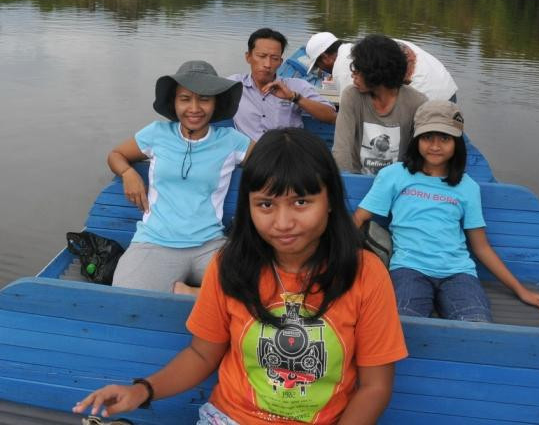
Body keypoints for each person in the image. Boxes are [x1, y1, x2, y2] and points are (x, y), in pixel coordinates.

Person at [75, 128, 407, 424]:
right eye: (265, 205)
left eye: (301, 202)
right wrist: (143, 390)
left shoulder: (365, 273)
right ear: (248, 207)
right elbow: (202, 353)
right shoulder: (231, 265)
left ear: (331, 201)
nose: (282, 222)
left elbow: (375, 387)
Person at [353, 101, 539, 322]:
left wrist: (521, 291)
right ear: (416, 140)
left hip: (458, 272)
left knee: (477, 323)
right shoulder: (394, 176)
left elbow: (481, 247)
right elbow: (359, 218)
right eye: (427, 137)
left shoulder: (466, 187)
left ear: (457, 143)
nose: (435, 146)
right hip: (407, 268)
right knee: (401, 322)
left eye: (445, 138)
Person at [107, 60, 252, 294]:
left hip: (210, 245)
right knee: (124, 299)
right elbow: (116, 154)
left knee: (257, 293)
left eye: (204, 99)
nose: (194, 108)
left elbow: (269, 162)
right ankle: (201, 295)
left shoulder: (231, 140)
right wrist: (127, 172)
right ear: (174, 102)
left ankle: (189, 293)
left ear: (216, 103)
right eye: (185, 99)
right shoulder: (156, 133)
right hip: (154, 242)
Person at [332, 35, 427, 175]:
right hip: (357, 177)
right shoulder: (352, 96)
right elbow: (341, 149)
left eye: (358, 71)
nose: (353, 76)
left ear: (375, 73)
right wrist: (346, 182)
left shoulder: (417, 103)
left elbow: (419, 156)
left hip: (397, 181)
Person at [230, 28, 336, 141]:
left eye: (274, 58)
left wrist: (294, 97)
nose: (267, 64)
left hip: (288, 153)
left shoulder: (296, 86)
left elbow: (331, 116)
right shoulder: (234, 86)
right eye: (261, 56)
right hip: (252, 155)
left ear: (280, 62)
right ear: (248, 57)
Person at [306, 31, 458, 102]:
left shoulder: (343, 68)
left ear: (325, 57)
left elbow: (355, 107)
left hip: (430, 99)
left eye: (318, 65)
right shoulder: (362, 47)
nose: (320, 70)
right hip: (446, 86)